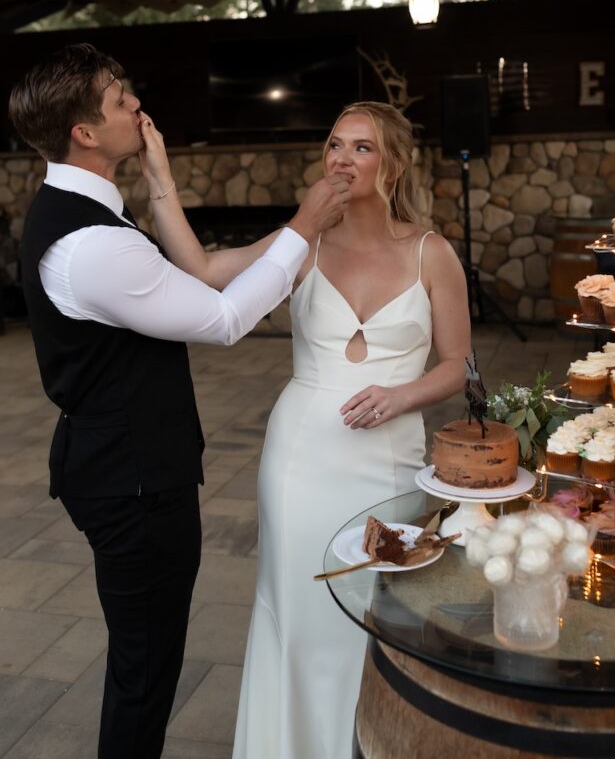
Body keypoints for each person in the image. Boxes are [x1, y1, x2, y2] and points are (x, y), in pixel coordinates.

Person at [7, 42, 350, 759]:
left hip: (121, 468)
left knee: (146, 660)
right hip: (131, 483)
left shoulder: (81, 212)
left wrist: (162, 182)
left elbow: (200, 273)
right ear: (86, 134)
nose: (137, 103)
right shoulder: (89, 245)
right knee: (145, 670)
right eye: (118, 97)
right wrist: (305, 229)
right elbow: (221, 319)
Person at [143, 100, 471, 759]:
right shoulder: (304, 245)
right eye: (334, 146)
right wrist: (159, 177)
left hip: (388, 464)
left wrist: (403, 394)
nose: (343, 159)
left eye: (362, 147)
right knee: (297, 614)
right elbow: (205, 272)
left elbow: (459, 365)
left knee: (379, 616)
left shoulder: (433, 253)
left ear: (395, 163)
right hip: (299, 462)